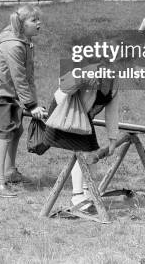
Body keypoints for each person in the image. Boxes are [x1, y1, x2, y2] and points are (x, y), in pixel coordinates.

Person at [0, 5, 47, 198]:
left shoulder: (26, 42)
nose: (39, 23)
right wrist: (31, 106)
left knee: (17, 130)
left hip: (8, 94)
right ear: (22, 24)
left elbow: (29, 77)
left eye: (38, 19)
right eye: (34, 20)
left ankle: (10, 172)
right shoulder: (14, 45)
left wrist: (33, 103)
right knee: (5, 133)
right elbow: (19, 79)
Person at [42, 48, 119, 212]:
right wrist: (83, 79)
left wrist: (113, 140)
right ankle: (77, 196)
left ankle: (86, 193)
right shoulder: (89, 72)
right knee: (83, 153)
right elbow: (64, 87)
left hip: (84, 117)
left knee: (91, 153)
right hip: (65, 113)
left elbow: (112, 112)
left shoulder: (115, 83)